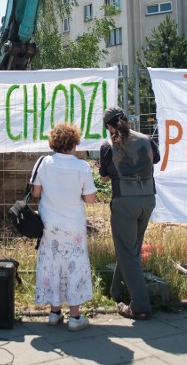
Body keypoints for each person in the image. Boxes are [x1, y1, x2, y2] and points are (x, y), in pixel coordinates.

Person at [31, 122, 97, 332]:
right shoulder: (82, 167)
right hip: (73, 225)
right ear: (73, 143)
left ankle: (54, 311)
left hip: (49, 223)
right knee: (74, 266)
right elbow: (90, 199)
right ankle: (75, 316)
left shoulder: (44, 163)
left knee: (52, 265)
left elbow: (35, 193)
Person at [99, 106, 160, 321]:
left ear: (108, 126)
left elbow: (105, 178)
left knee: (128, 252)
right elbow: (156, 160)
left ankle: (141, 306)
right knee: (130, 249)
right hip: (148, 199)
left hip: (124, 201)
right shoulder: (146, 138)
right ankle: (115, 293)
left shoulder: (108, 146)